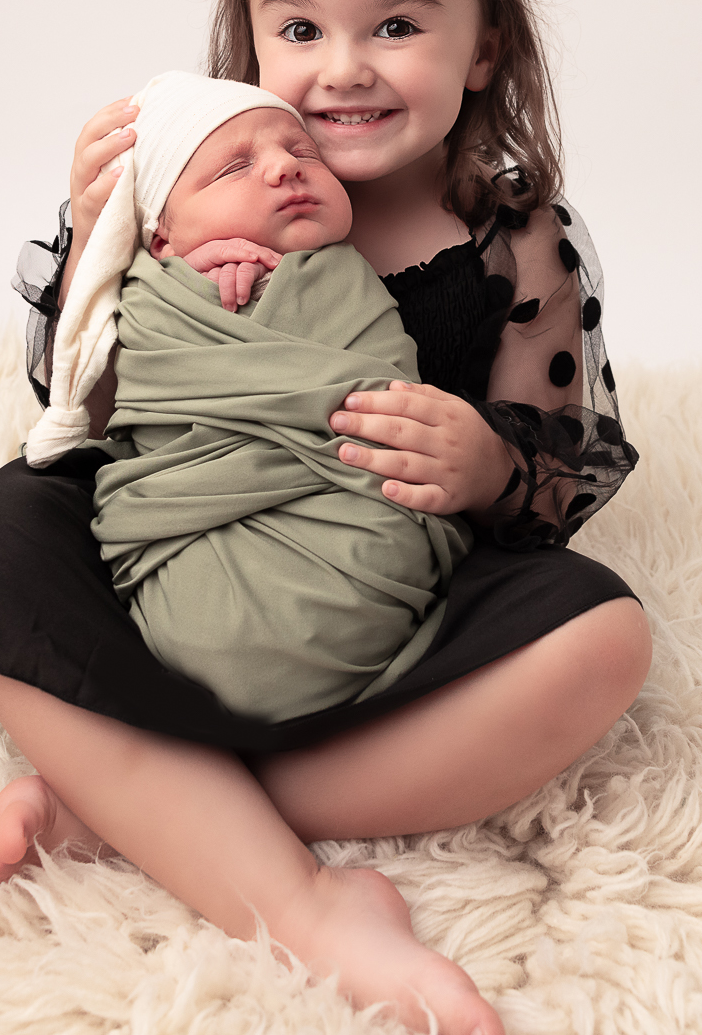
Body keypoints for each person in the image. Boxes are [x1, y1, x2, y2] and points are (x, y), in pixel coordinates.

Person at [0, 0, 648, 1035]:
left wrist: (487, 462)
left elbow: (556, 474)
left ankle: (137, 800)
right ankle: (305, 903)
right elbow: (80, 409)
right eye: (298, 30)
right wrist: (103, 227)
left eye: (397, 26)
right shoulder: (193, 196)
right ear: (246, 39)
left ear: (483, 47)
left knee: (603, 637)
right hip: (187, 578)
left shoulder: (511, 238)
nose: (343, 68)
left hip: (389, 610)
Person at [30, 69, 473, 722]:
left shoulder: (346, 276)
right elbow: (107, 398)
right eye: (234, 168)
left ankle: (168, 784)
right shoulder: (154, 295)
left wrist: (271, 295)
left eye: (303, 154)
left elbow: (386, 401)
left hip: (356, 538)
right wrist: (188, 289)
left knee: (588, 617)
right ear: (160, 239)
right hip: (199, 542)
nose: (284, 170)